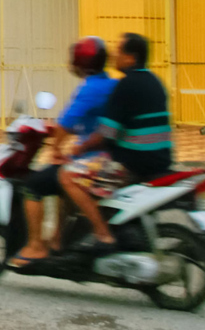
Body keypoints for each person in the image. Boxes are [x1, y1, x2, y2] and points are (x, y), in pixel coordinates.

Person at [9, 37, 117, 268]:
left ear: (80, 63)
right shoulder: (110, 84)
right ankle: (57, 239)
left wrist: (56, 148)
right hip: (106, 154)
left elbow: (65, 124)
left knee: (34, 184)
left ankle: (37, 246)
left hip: (96, 160)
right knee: (58, 178)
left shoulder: (90, 89)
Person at [59, 33, 172, 252]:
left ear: (131, 58)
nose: (114, 56)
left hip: (131, 166)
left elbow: (106, 134)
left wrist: (79, 147)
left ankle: (103, 235)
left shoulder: (126, 86)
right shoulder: (154, 81)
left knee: (68, 176)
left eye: (119, 51)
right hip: (160, 161)